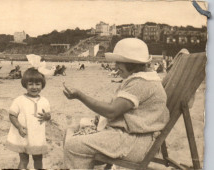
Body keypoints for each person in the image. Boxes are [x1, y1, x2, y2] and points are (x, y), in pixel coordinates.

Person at [63, 38, 170, 169]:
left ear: (131, 63)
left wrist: (80, 96)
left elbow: (111, 111)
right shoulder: (143, 79)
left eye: (118, 62)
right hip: (132, 136)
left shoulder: (141, 83)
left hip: (132, 142)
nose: (115, 66)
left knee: (72, 145)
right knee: (71, 131)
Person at [5, 67, 51, 169]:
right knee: (24, 159)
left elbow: (47, 116)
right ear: (25, 85)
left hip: (37, 135)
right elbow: (12, 115)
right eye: (30, 84)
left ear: (42, 85)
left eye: (37, 84)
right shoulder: (19, 100)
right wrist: (19, 127)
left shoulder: (44, 101)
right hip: (23, 135)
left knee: (38, 159)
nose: (34, 87)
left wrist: (47, 116)